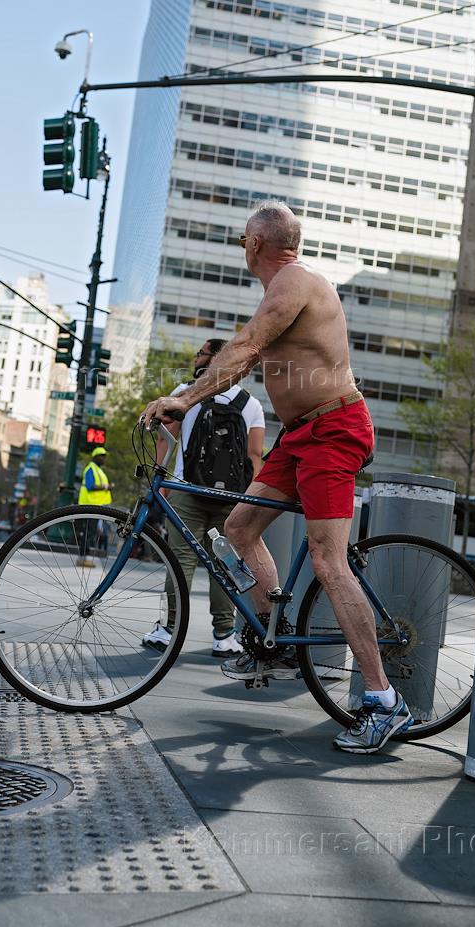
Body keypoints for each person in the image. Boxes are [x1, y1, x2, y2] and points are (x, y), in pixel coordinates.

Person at [143, 201, 411, 755]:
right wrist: (190, 397)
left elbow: (244, 348)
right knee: (239, 528)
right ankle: (276, 641)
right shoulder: (281, 289)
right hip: (300, 434)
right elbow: (244, 359)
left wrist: (185, 399)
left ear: (256, 243)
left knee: (328, 562)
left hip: (334, 430)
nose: (243, 248)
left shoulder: (294, 281)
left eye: (243, 240)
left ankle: (384, 701)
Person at [142, 338, 265, 658]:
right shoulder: (251, 404)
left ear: (214, 359)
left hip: (187, 490)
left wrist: (158, 478)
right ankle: (224, 635)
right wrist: (251, 500)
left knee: (180, 560)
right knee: (226, 563)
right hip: (231, 497)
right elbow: (254, 457)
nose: (196, 358)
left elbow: (166, 439)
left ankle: (168, 630)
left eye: (200, 353)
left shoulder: (185, 392)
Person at [78, 445, 112, 567]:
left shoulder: (98, 469)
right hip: (89, 506)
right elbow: (90, 486)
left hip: (95, 506)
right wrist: (106, 487)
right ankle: (82, 558)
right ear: (95, 457)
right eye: (101, 456)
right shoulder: (91, 468)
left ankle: (83, 557)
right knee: (88, 533)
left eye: (105, 456)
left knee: (91, 533)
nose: (104, 459)